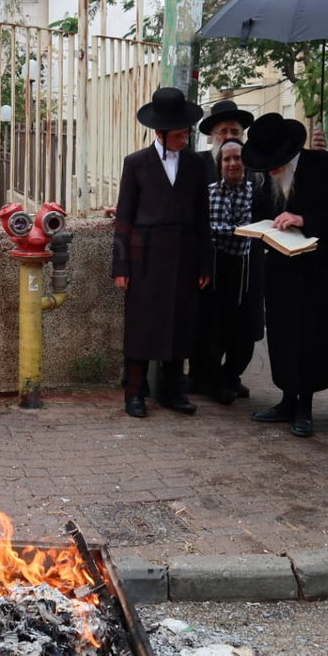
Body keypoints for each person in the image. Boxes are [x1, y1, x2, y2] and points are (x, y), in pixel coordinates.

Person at [244, 114, 328, 437]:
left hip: (315, 270)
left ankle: (305, 406)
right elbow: (260, 211)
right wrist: (263, 229)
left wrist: (303, 220)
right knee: (282, 335)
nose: (269, 170)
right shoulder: (265, 176)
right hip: (279, 268)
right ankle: (286, 399)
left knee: (311, 337)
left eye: (273, 164)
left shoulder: (324, 165)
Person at [112, 87, 214, 419]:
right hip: (144, 259)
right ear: (160, 133)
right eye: (179, 135)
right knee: (141, 326)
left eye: (187, 133)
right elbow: (124, 218)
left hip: (184, 256)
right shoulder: (136, 164)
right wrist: (121, 266)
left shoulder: (196, 164)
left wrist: (205, 263)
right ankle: (135, 393)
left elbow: (203, 218)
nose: (185, 139)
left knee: (179, 323)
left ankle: (174, 392)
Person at [189, 100, 255, 393]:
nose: (229, 136)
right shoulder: (197, 164)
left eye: (235, 131)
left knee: (242, 324)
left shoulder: (255, 169)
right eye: (223, 131)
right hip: (210, 260)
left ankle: (231, 376)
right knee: (206, 322)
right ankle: (204, 376)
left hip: (245, 263)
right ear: (212, 136)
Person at [197, 140, 264, 404]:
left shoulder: (257, 192)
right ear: (219, 164)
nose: (233, 163)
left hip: (246, 268)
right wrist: (243, 230)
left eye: (238, 158)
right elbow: (213, 231)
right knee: (215, 328)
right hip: (218, 266)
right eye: (227, 159)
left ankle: (230, 376)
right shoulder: (211, 192)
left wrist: (237, 230)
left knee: (243, 330)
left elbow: (257, 224)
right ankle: (214, 382)